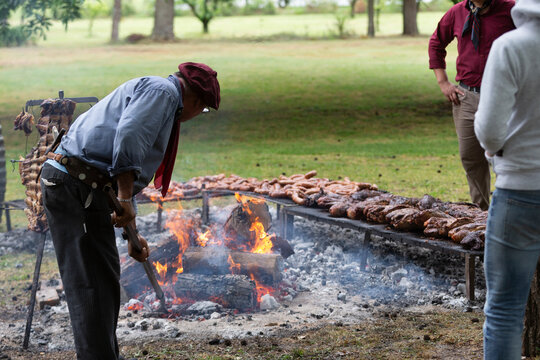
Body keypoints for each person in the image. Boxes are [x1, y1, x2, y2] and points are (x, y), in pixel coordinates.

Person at [40, 62, 220, 360]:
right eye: (201, 111)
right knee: (90, 284)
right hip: (75, 184)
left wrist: (132, 233)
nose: (194, 117)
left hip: (87, 185)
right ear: (197, 100)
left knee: (103, 280)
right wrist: (124, 201)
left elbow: (120, 169)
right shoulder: (163, 92)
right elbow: (129, 139)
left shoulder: (160, 93)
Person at [474, 0, 540, 358]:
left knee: (505, 311)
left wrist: (491, 150)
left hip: (522, 192)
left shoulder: (512, 46)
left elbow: (490, 130)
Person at [428, 0, 515, 210]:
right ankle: (481, 215)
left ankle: (511, 210)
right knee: (471, 158)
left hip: (503, 98)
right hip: (467, 97)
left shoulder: (510, 9)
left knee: (507, 157)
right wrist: (443, 83)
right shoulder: (458, 12)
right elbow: (436, 43)